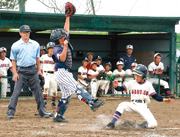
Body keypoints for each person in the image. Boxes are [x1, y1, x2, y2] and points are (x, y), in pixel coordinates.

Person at [51, 16, 105, 123]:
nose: (64, 36)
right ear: (58, 39)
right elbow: (61, 59)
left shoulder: (63, 42)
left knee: (66, 96)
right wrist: (65, 47)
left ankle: (58, 116)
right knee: (77, 88)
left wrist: (67, 17)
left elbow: (66, 30)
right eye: (62, 36)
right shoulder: (57, 48)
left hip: (64, 72)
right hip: (61, 72)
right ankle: (91, 103)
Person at [105, 64, 175, 130]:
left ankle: (140, 126)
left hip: (143, 106)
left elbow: (155, 96)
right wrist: (116, 86)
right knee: (121, 105)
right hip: (133, 104)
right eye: (135, 74)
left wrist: (164, 99)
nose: (136, 76)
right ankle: (112, 123)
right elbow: (120, 89)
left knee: (153, 124)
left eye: (138, 75)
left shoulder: (148, 84)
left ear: (144, 76)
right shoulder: (132, 82)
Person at [6, 25, 49, 119]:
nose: (26, 34)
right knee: (16, 92)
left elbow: (37, 59)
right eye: (24, 32)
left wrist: (39, 71)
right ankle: (10, 112)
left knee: (38, 92)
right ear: (20, 33)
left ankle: (42, 112)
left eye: (28, 32)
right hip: (21, 70)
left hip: (33, 70)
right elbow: (13, 60)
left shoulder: (35, 44)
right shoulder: (15, 45)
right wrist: (15, 73)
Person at [40, 42, 57, 109]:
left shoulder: (56, 57)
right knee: (46, 87)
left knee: (54, 91)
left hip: (53, 74)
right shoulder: (43, 56)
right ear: (47, 49)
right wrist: (40, 70)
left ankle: (53, 102)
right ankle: (44, 101)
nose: (51, 50)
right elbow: (39, 62)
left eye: (52, 48)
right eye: (50, 48)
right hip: (46, 74)